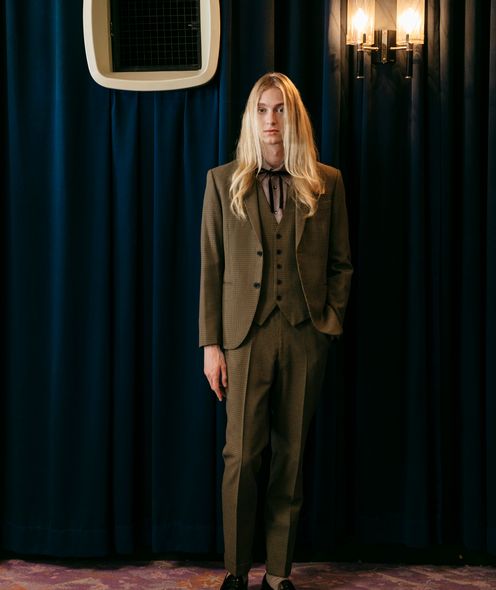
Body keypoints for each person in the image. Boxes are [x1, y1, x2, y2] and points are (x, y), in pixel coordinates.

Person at [199, 72, 353, 590]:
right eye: (263, 110)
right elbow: (211, 268)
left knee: (291, 455)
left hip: (305, 336)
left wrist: (327, 324)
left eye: (281, 110)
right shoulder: (223, 181)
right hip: (244, 339)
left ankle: (279, 573)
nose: (271, 120)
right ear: (252, 118)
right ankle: (236, 571)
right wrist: (211, 345)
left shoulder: (326, 182)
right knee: (241, 456)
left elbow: (341, 264)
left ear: (294, 118)